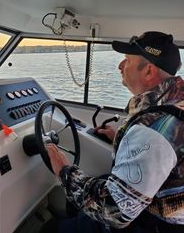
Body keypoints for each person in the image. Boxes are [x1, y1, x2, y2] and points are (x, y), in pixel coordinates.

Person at [46, 31, 184, 233]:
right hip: (163, 207)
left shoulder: (153, 129)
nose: (120, 66)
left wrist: (63, 171)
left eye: (127, 60)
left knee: (55, 229)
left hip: (157, 225)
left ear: (148, 71)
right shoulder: (175, 102)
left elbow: (116, 211)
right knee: (99, 181)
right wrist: (120, 138)